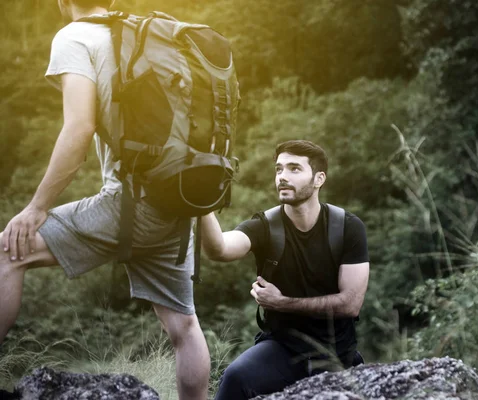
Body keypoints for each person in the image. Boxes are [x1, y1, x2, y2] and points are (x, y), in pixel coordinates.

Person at [0, 1, 210, 399]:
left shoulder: (75, 36)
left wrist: (36, 207)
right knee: (184, 327)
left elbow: (79, 128)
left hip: (130, 204)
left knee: (9, 252)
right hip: (176, 202)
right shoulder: (144, 35)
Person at [201, 139, 370, 400]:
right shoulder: (265, 225)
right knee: (236, 377)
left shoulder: (348, 227)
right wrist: (199, 202)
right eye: (279, 169)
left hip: (337, 354)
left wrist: (282, 303)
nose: (282, 177)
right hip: (281, 349)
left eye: (294, 169)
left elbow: (350, 304)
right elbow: (219, 249)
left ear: (319, 178)